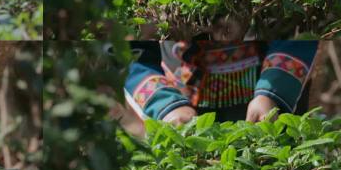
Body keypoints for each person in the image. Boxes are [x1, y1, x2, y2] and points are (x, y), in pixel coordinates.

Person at [124, 41, 318, 125]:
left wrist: (272, 93)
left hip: (267, 103)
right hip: (179, 108)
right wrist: (164, 106)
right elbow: (127, 52)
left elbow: (298, 29)